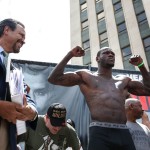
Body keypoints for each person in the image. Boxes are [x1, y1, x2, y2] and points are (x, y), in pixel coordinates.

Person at [48, 46, 150, 150]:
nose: (111, 54)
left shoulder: (124, 81)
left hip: (123, 132)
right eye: (106, 53)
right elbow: (54, 79)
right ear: (97, 58)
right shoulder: (86, 77)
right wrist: (70, 54)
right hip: (100, 132)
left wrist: (141, 65)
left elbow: (148, 89)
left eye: (112, 54)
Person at [0, 18, 37, 150]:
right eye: (21, 35)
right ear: (6, 30)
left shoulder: (14, 70)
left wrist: (32, 112)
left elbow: (27, 96)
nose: (24, 40)